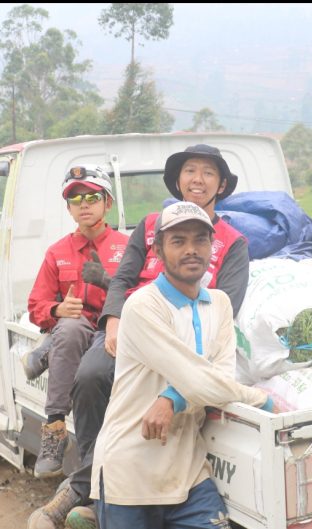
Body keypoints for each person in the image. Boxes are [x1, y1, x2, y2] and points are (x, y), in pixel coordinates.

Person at [28, 144, 250, 529]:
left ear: (222, 184)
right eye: (190, 171)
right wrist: (113, 320)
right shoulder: (150, 226)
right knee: (92, 376)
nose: (197, 179)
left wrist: (173, 395)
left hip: (185, 340)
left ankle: (82, 491)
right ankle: (94, 488)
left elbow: (222, 313)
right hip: (131, 325)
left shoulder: (232, 243)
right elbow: (125, 279)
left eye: (208, 173)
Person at [89, 201, 273, 529]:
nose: (191, 250)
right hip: (131, 473)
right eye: (178, 241)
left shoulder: (219, 303)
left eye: (200, 240)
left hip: (189, 471)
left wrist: (172, 398)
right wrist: (262, 400)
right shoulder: (143, 306)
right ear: (157, 250)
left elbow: (220, 374)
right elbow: (202, 382)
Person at [25, 165, 128, 479]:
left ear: (107, 202)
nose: (84, 204)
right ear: (68, 208)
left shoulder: (127, 248)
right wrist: (58, 310)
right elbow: (36, 305)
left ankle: (45, 353)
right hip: (76, 330)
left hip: (113, 329)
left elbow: (142, 295)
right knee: (69, 328)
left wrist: (108, 282)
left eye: (92, 196)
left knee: (68, 339)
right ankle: (55, 428)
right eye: (75, 198)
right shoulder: (57, 253)